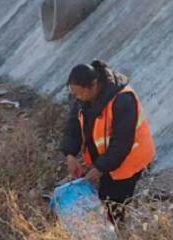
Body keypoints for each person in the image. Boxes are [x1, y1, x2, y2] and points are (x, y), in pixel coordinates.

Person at [61, 60, 156, 223]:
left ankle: (120, 238)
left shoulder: (123, 100)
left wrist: (99, 169)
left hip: (129, 160)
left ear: (93, 85)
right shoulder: (84, 99)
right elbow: (73, 126)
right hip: (107, 160)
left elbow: (122, 143)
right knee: (103, 199)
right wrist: (70, 154)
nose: (77, 97)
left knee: (114, 204)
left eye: (79, 93)